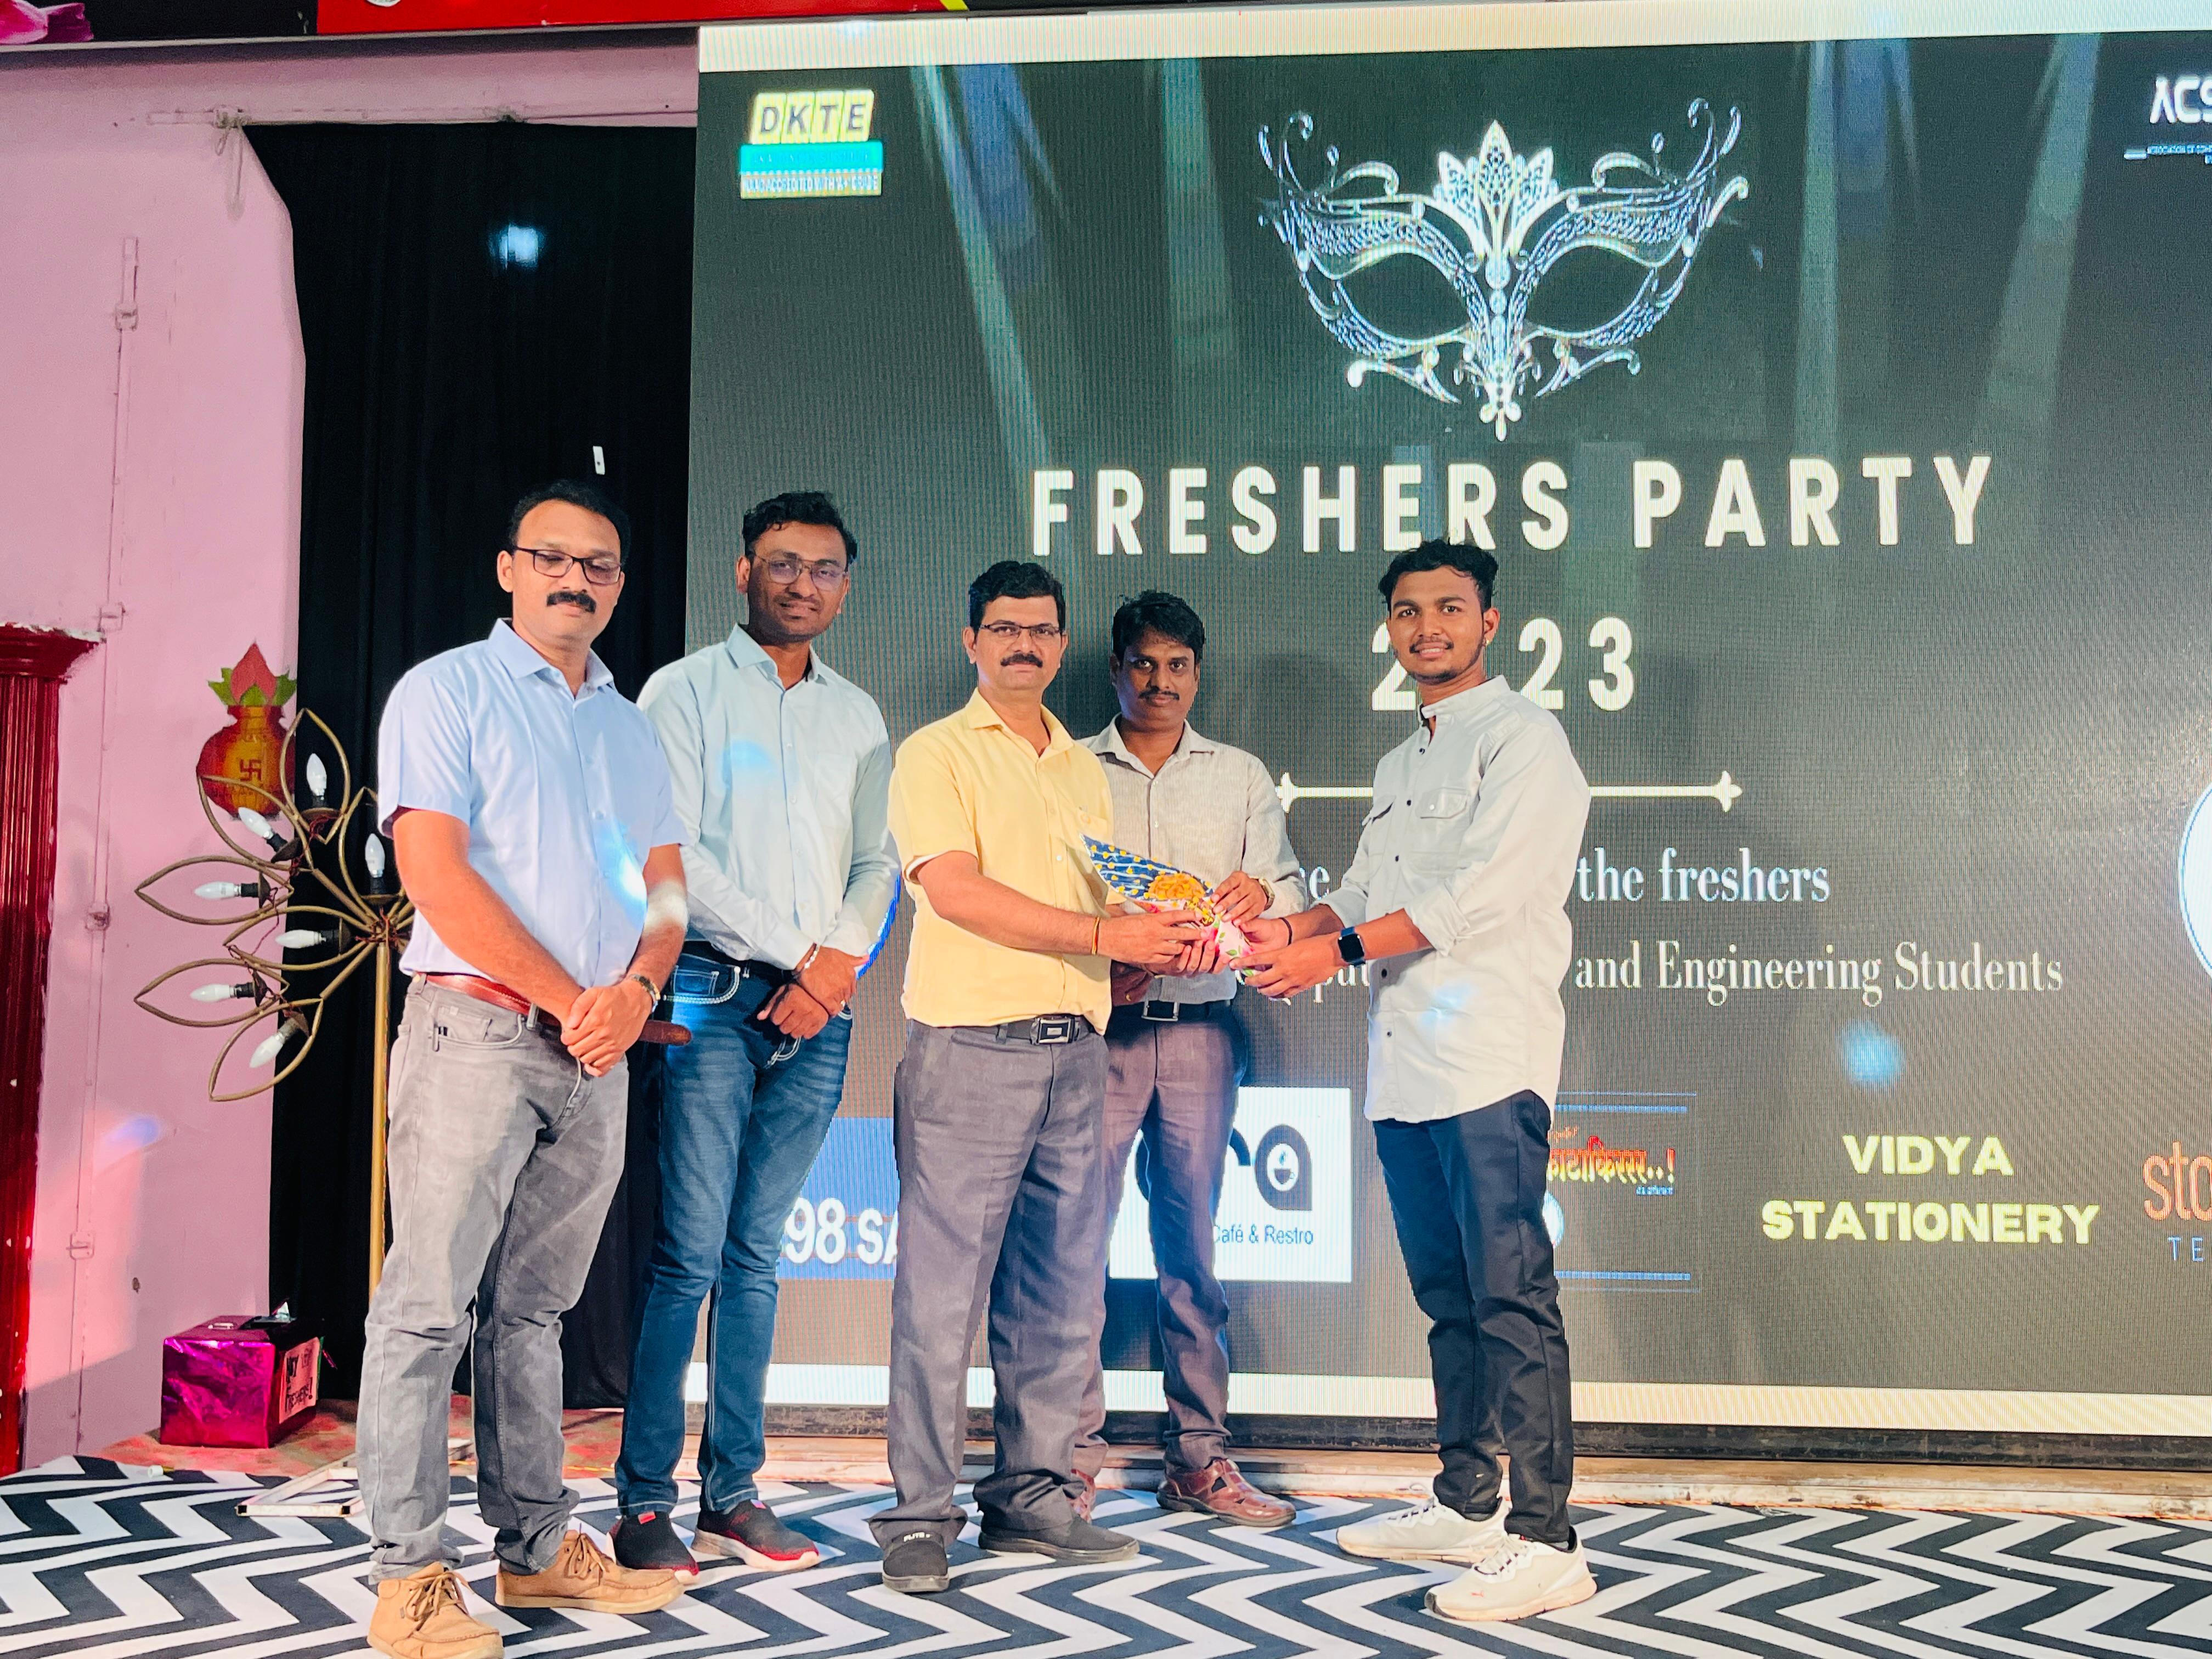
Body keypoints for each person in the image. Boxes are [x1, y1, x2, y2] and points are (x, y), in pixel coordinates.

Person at [1240, 539, 1595, 1624]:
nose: (1426, 627)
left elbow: (1476, 899)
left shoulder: (1527, 741)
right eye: (1407, 611)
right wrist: (1277, 932)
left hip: (1489, 1059)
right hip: (1404, 1069)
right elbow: (1356, 894)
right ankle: (1467, 1498)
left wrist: (1331, 954)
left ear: (1490, 622)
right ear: (1389, 628)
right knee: (1449, 1300)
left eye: (1448, 608)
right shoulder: (1402, 763)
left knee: (1512, 1298)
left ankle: (1547, 1541)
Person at [363, 481, 690, 1659]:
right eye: (551, 557)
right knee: (425, 1310)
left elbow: (665, 886)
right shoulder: (445, 690)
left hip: (597, 1050)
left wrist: (637, 991)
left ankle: (538, 1547)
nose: (574, 579)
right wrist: (576, 1001)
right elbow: (435, 875)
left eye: (597, 564)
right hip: (479, 1033)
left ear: (618, 585)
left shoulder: (630, 726)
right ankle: (408, 1578)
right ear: (508, 568)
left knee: (536, 1313)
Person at [868, 561, 1214, 1594]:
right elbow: (957, 892)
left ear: (1063, 647)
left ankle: (1033, 1499)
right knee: (941, 1302)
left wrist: (1151, 950)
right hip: (970, 1048)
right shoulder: (934, 754)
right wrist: (1107, 937)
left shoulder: (1078, 767)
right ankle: (919, 1519)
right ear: (970, 642)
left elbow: (1096, 912)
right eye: (1005, 629)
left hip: (1077, 1049)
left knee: (1062, 1295)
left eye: (1042, 630)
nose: (1024, 645)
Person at [611, 492, 895, 1576]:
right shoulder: (680, 692)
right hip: (710, 995)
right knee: (688, 1256)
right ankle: (645, 1506)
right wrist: (801, 958)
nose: (801, 584)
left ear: (845, 588)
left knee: (756, 1258)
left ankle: (732, 1495)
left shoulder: (858, 717)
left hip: (819, 1014)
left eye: (823, 569)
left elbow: (878, 864)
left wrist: (837, 967)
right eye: (783, 564)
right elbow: (673, 854)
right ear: (744, 573)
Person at [1071, 591, 1302, 1527]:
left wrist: (1262, 897)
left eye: (1177, 665)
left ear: (1197, 675)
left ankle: (1200, 1459)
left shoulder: (1239, 776)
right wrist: (1105, 960)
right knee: (1072, 1247)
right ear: (1116, 668)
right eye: (1143, 663)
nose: (1159, 681)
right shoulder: (1069, 768)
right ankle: (1065, 1465)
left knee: (1192, 1250)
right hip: (1099, 1032)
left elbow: (1290, 892)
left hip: (1204, 1030)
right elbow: (1048, 903)